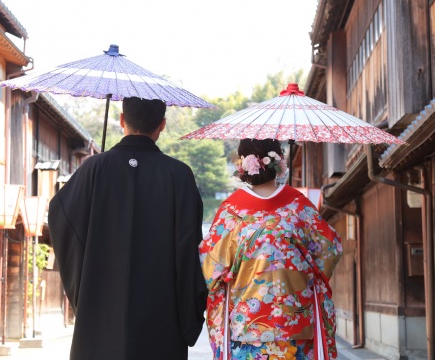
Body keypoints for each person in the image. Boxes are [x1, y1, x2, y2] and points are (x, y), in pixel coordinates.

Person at [48, 97, 207, 360]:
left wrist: (84, 289)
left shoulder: (94, 168)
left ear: (122, 120)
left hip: (100, 313)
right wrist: (188, 318)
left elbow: (61, 216)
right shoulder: (179, 175)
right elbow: (189, 248)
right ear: (163, 125)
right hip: (161, 317)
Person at [199, 138, 343, 360]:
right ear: (280, 162)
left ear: (243, 166)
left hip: (248, 326)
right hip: (297, 325)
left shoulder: (232, 210)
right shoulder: (298, 204)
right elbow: (330, 250)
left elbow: (210, 267)